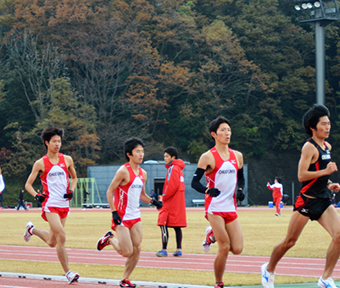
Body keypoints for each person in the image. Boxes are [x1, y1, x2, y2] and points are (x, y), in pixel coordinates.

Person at [261, 104, 340, 288]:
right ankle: (269, 268)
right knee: (290, 241)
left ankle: (325, 278)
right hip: (307, 201)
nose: (328, 127)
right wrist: (324, 171)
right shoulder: (309, 147)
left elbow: (321, 174)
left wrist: (330, 184)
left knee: (339, 236)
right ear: (313, 127)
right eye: (323, 124)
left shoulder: (327, 146)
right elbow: (302, 176)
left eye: (329, 123)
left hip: (323, 201)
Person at [96, 137, 162, 288]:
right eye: (137, 151)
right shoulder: (123, 171)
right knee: (127, 251)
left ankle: (125, 279)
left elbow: (142, 195)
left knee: (137, 248)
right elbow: (109, 191)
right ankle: (109, 239)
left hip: (135, 216)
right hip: (122, 216)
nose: (141, 154)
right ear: (129, 154)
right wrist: (113, 212)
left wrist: (154, 202)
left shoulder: (143, 173)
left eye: (142, 151)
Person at [191, 116, 245, 288]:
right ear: (214, 134)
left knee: (237, 249)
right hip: (214, 207)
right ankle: (218, 283)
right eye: (223, 130)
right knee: (224, 247)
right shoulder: (207, 157)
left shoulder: (237, 156)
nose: (227, 133)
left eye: (229, 130)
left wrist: (241, 191)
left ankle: (211, 234)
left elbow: (241, 179)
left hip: (231, 207)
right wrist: (208, 190)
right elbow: (194, 182)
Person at [23, 127, 79, 284]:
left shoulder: (67, 160)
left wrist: (71, 190)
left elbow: (74, 178)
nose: (57, 144)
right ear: (47, 143)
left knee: (52, 241)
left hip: (64, 204)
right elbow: (28, 184)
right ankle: (68, 273)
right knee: (62, 235)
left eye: (59, 141)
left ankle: (31, 230)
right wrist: (37, 196)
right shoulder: (40, 163)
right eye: (54, 141)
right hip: (50, 205)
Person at [156, 147, 187, 257]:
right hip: (178, 202)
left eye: (167, 156)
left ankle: (164, 249)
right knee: (176, 226)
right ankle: (179, 249)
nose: (165, 159)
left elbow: (171, 186)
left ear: (173, 157)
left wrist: (163, 198)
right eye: (164, 156)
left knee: (162, 223)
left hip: (170, 202)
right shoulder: (179, 169)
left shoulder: (172, 168)